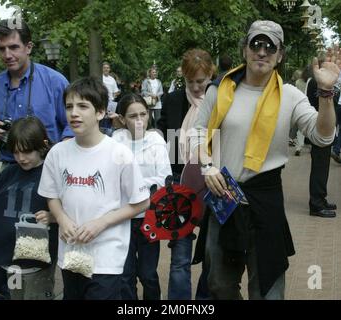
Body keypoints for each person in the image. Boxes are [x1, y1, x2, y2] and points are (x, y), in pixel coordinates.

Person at [192, 20, 341, 299]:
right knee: (218, 284)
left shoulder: (290, 96)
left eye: (270, 47)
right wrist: (206, 166)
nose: (262, 52)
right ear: (245, 50)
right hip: (224, 195)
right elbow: (197, 133)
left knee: (268, 289)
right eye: (256, 44)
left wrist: (325, 94)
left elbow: (323, 136)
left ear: (279, 55)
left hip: (266, 198)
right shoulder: (220, 90)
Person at [38, 77, 150, 300]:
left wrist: (101, 223)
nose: (74, 113)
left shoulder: (119, 154)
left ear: (100, 112)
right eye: (69, 106)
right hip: (70, 253)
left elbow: (142, 202)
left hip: (106, 258)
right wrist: (61, 219)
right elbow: (52, 196)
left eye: (82, 106)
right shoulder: (57, 153)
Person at [0, 116, 58, 300]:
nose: (21, 158)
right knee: (15, 294)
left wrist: (52, 216)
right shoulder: (10, 172)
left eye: (26, 152)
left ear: (41, 145)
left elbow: (68, 210)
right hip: (10, 260)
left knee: (36, 295)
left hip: (38, 261)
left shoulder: (51, 174)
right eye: (16, 152)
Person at [157, 48, 215, 300]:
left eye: (200, 81)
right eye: (189, 81)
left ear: (211, 73)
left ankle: (204, 300)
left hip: (215, 185)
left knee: (213, 255)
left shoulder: (222, 103)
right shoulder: (172, 101)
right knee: (180, 257)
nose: (195, 87)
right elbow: (162, 138)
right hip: (179, 185)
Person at [0, 19, 73, 169]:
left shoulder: (55, 81)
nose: (7, 55)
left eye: (13, 47)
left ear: (28, 47)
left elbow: (71, 124)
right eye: (2, 49)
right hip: (10, 166)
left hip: (49, 165)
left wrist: (64, 148)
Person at [112, 93, 172, 300]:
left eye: (143, 114)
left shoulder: (156, 140)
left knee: (148, 274)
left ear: (148, 115)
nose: (139, 121)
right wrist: (144, 184)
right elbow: (113, 179)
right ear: (122, 119)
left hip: (149, 218)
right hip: (122, 219)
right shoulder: (116, 141)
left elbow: (164, 179)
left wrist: (135, 185)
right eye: (132, 116)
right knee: (125, 276)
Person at [306, 62, 338, 218]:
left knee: (323, 167)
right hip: (319, 128)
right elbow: (314, 104)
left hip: (326, 129)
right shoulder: (315, 81)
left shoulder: (324, 80)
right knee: (319, 167)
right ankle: (316, 204)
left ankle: (321, 199)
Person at [100, 62, 121, 136]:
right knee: (102, 117)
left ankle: (109, 134)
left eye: (107, 68)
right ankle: (101, 133)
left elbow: (116, 90)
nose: (106, 69)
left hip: (111, 101)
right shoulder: (100, 77)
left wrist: (116, 94)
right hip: (102, 101)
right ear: (102, 69)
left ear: (109, 69)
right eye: (104, 67)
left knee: (110, 118)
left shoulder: (112, 79)